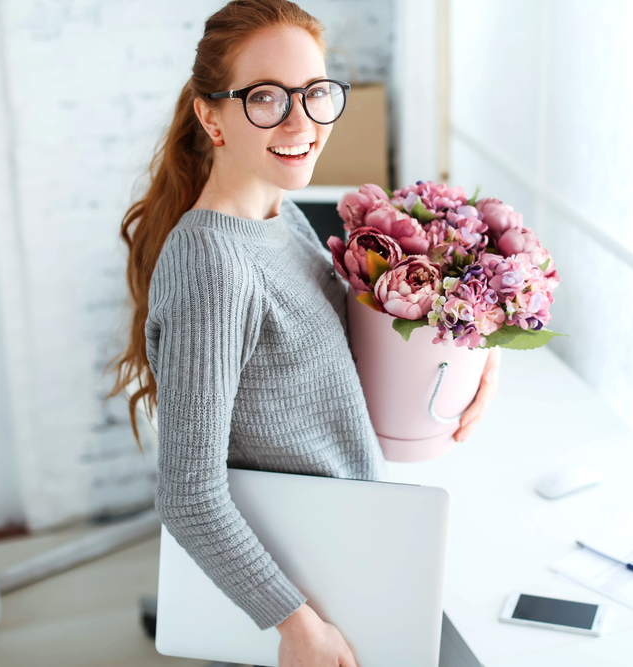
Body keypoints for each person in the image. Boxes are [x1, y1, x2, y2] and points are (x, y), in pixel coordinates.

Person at [108, 1, 500, 665]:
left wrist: (471, 355)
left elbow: (341, 351)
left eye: (317, 94)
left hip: (346, 552)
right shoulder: (212, 263)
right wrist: (297, 625)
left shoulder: (275, 213)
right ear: (212, 116)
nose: (302, 123)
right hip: (303, 594)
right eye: (267, 98)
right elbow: (188, 495)